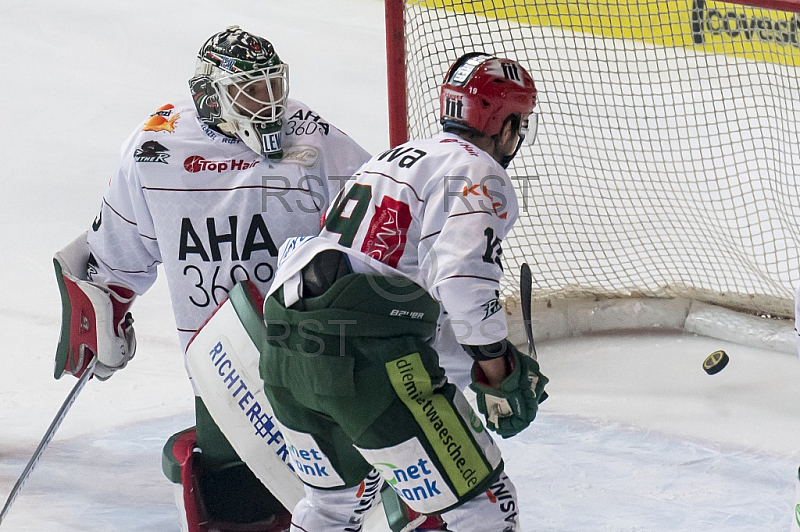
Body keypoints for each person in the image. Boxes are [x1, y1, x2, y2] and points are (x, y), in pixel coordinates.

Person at [52, 26, 370, 532]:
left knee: (339, 498)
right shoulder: (154, 148)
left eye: (273, 86)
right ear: (210, 92)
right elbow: (112, 259)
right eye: (250, 91)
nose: (267, 104)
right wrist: (100, 309)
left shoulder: (313, 137)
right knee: (240, 507)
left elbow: (377, 212)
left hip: (313, 359)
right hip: (224, 367)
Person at [257, 52, 549, 531]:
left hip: (288, 353)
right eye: (519, 123)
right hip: (365, 361)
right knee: (486, 505)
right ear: (503, 121)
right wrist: (498, 367)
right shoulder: (479, 172)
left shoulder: (394, 158)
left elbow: (395, 288)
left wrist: (482, 365)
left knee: (332, 509)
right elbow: (460, 284)